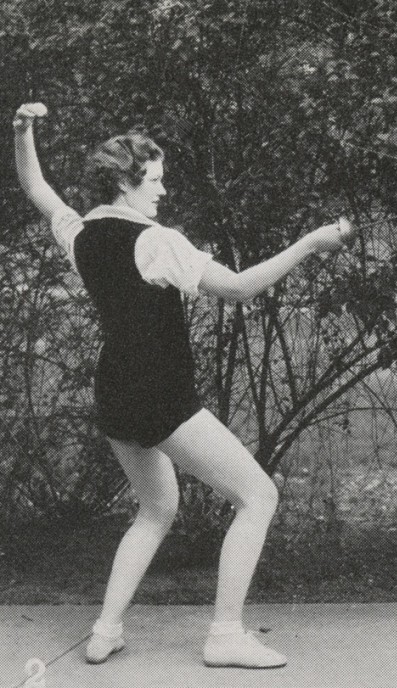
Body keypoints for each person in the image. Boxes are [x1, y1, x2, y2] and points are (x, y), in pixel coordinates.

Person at [13, 102, 357, 669]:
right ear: (125, 182)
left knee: (155, 509)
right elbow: (242, 288)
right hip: (160, 395)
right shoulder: (158, 241)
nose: (163, 191)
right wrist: (310, 244)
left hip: (115, 393)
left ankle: (104, 631)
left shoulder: (81, 234)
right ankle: (225, 635)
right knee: (258, 496)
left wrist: (22, 132)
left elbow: (35, 185)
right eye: (155, 179)